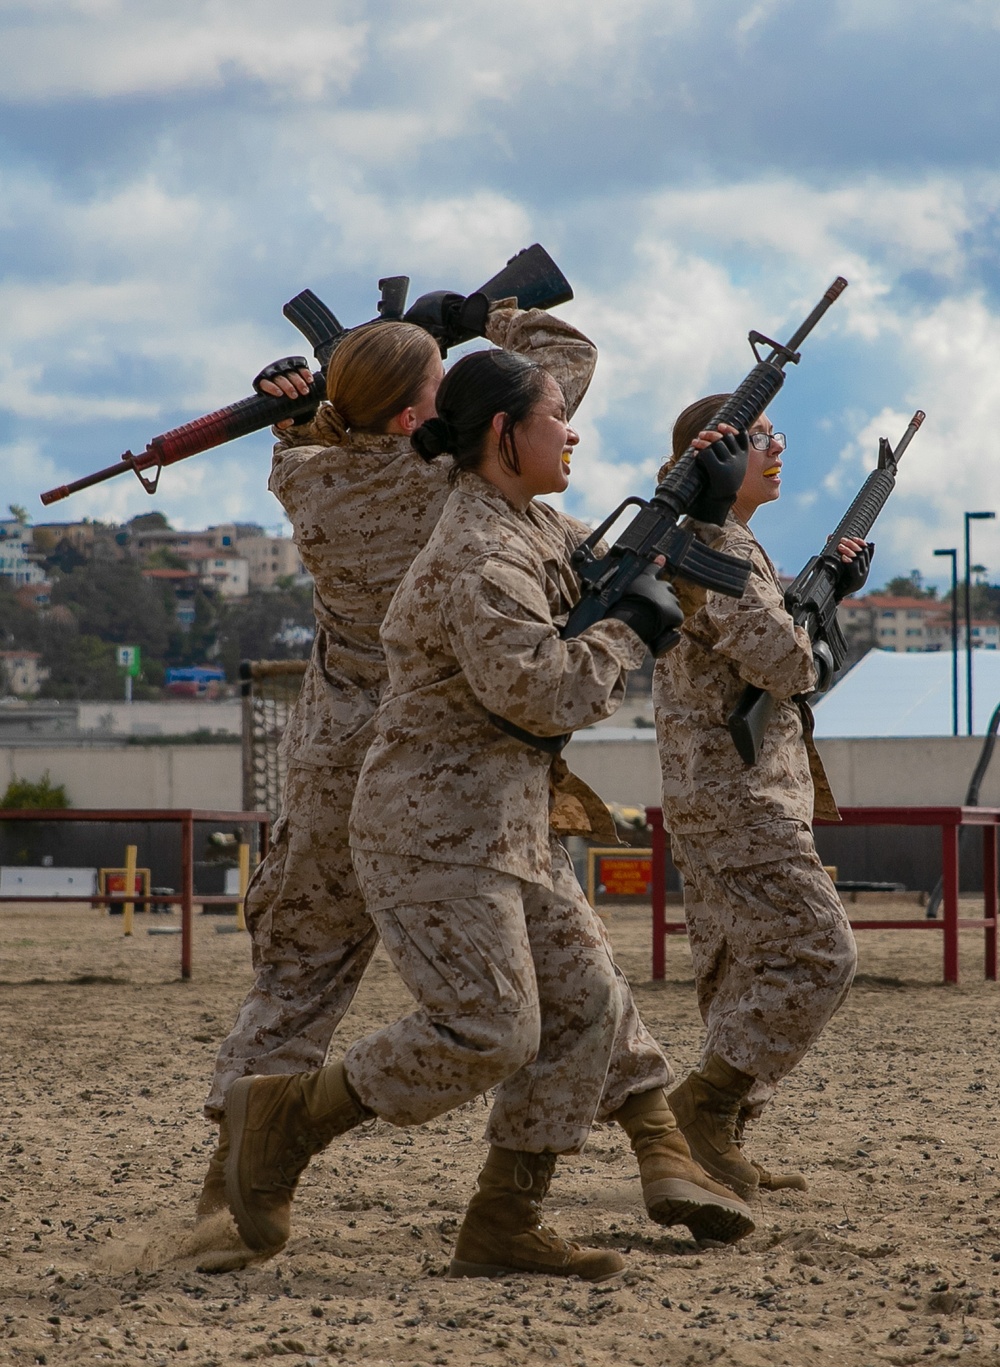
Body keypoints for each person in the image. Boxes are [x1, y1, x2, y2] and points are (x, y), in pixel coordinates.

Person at [221, 349, 755, 1280]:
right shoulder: (478, 553)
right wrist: (634, 625)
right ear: (504, 436)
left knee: (586, 1005)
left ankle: (506, 1219)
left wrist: (697, 506)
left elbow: (622, 559)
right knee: (489, 1029)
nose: (575, 429)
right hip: (433, 826)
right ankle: (287, 1119)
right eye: (557, 416)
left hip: (501, 821)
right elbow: (541, 693)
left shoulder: (527, 524)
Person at [195, 297, 596, 1214]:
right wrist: (488, 314)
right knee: (565, 963)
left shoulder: (305, 476)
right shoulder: (457, 486)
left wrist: (307, 403)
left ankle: (230, 1180)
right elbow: (561, 364)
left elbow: (321, 440)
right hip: (454, 764)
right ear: (430, 419)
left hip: (335, 762)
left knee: (298, 974)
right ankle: (634, 1139)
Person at [653, 397, 867, 1199]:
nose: (778, 448)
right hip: (737, 794)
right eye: (762, 437)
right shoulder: (716, 550)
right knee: (821, 949)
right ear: (714, 460)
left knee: (740, 966)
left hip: (726, 790)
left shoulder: (727, 543)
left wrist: (824, 588)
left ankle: (719, 1137)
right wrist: (816, 624)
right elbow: (790, 667)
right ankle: (705, 1109)